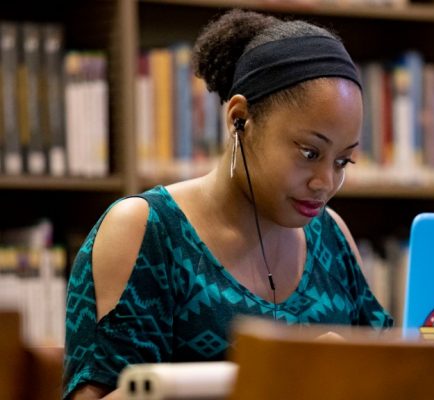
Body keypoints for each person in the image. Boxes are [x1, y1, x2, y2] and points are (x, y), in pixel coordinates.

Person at [63, 9, 393, 399]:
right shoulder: (147, 231)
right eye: (309, 153)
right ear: (240, 118)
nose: (326, 183)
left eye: (343, 161)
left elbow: (394, 379)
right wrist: (280, 375)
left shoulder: (333, 238)